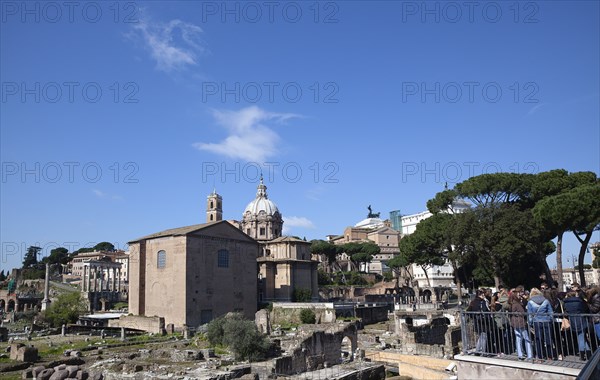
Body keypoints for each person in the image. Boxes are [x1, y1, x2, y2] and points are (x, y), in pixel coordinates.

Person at [527, 288, 556, 362]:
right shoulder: (546, 300)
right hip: (546, 321)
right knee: (548, 339)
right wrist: (550, 319)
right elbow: (551, 312)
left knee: (538, 340)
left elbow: (530, 315)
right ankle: (550, 356)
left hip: (537, 321)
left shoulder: (530, 302)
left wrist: (530, 323)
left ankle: (540, 357)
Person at [563, 290, 592, 360]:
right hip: (581, 320)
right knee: (581, 338)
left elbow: (565, 312)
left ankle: (588, 354)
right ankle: (583, 355)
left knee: (581, 337)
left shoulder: (565, 303)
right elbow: (586, 309)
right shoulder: (580, 302)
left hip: (572, 320)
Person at [509, 287, 532, 360]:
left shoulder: (511, 303)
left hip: (514, 322)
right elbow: (523, 313)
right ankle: (529, 354)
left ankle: (520, 354)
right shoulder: (517, 304)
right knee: (526, 338)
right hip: (521, 322)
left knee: (518, 338)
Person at [467, 289, 492, 356]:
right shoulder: (480, 302)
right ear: (479, 295)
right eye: (482, 294)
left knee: (481, 336)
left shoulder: (474, 302)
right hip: (481, 322)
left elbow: (468, 311)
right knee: (484, 336)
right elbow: (485, 310)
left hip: (480, 321)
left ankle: (477, 351)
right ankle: (483, 352)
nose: (483, 295)